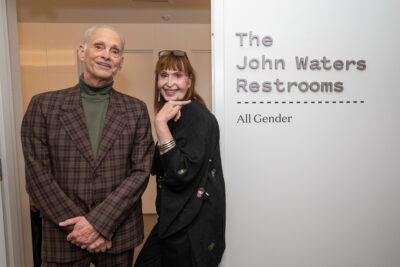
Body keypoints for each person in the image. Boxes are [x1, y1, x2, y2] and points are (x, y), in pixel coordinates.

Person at [21, 25, 154, 266]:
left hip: (117, 234)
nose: (106, 55)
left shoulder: (136, 110)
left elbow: (141, 172)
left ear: (120, 63)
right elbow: (36, 174)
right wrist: (81, 230)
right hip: (64, 235)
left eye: (115, 51)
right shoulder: (43, 106)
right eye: (99, 46)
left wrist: (99, 225)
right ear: (82, 52)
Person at [135, 50, 225, 267]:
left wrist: (160, 126)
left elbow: (180, 172)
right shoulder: (173, 114)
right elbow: (159, 165)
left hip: (192, 228)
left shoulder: (198, 116)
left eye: (177, 76)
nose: (169, 83)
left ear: (189, 81)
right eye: (163, 75)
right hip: (172, 220)